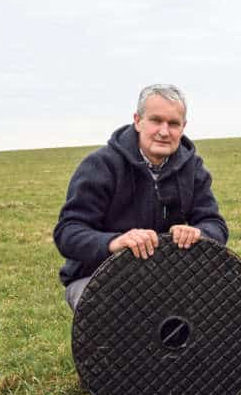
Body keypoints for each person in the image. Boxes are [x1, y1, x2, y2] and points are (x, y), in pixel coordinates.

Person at [54, 84, 228, 311]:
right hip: (97, 277)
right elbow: (68, 233)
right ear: (138, 121)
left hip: (167, 278)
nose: (164, 132)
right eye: (156, 120)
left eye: (173, 124)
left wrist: (199, 233)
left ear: (183, 127)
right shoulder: (101, 165)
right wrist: (114, 242)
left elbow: (216, 226)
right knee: (114, 318)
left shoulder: (193, 169)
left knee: (218, 307)